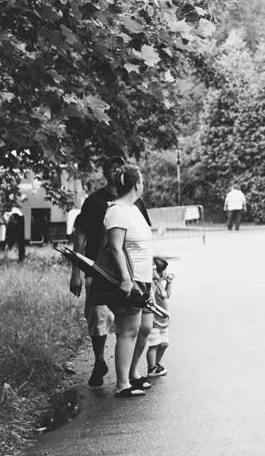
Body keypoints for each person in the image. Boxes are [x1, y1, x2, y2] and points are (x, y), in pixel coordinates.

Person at [69, 156, 151, 389]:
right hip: (100, 270)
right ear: (105, 172)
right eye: (111, 167)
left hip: (132, 272)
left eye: (120, 166)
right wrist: (76, 271)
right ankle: (100, 362)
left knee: (133, 326)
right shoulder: (96, 202)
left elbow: (140, 238)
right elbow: (81, 236)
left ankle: (128, 373)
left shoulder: (135, 204)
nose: (116, 170)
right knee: (100, 321)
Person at [102, 164, 154, 398]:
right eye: (142, 182)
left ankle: (133, 373)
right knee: (128, 331)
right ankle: (122, 384)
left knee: (145, 328)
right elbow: (115, 247)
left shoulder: (134, 208)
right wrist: (125, 278)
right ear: (136, 185)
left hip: (146, 278)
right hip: (131, 279)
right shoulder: (117, 211)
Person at [146, 256, 174, 377]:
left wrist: (169, 283)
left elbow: (167, 295)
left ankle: (157, 363)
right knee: (154, 344)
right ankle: (151, 367)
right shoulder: (151, 285)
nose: (166, 273)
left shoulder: (159, 284)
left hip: (163, 320)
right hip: (154, 320)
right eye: (164, 270)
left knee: (164, 343)